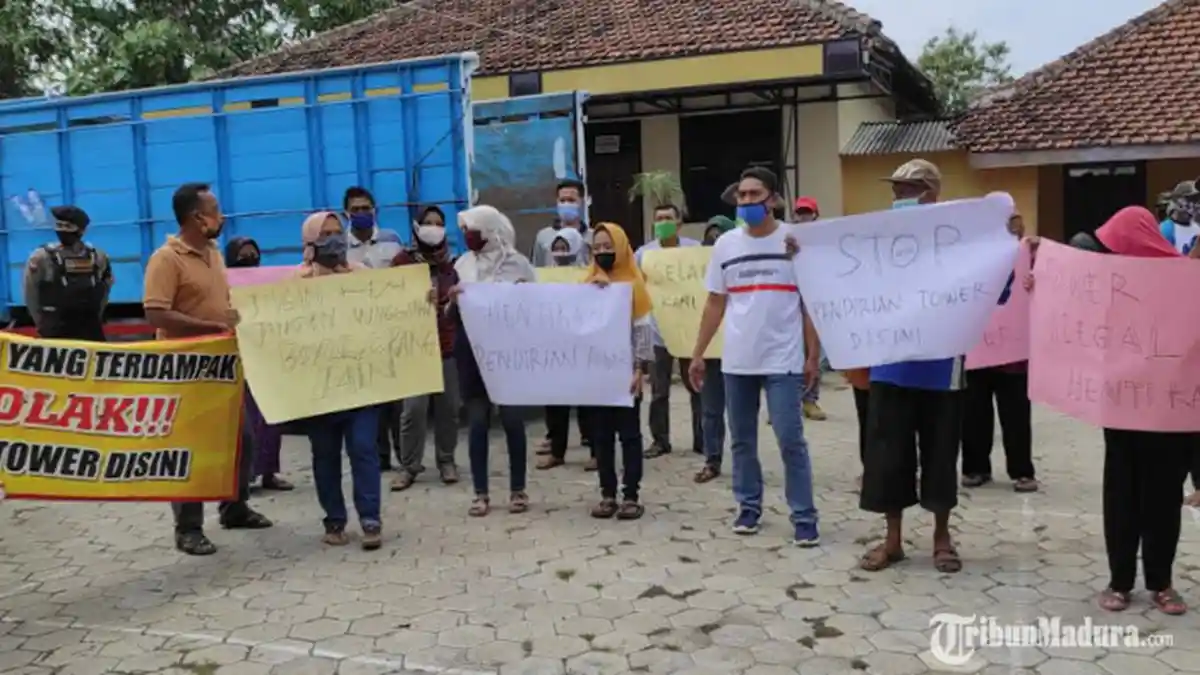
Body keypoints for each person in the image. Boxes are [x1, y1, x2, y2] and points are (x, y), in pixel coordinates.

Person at [1029, 206, 1194, 615]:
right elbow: (1067, 307)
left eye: (1112, 246)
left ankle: (1161, 582)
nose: (1105, 254)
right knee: (1121, 496)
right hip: (1122, 409)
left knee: (1164, 498)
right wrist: (1039, 279)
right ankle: (1119, 581)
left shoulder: (1186, 281)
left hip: (1172, 413)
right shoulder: (1110, 282)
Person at [687, 167, 821, 546]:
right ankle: (748, 507)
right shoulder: (726, 245)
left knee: (790, 439)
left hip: (783, 360)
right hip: (738, 361)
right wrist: (698, 354)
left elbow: (809, 303)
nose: (745, 201)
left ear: (773, 199)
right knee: (742, 441)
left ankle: (804, 516)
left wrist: (813, 356)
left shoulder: (794, 242)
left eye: (753, 194)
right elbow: (715, 302)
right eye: (741, 195)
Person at [143, 183, 272, 556]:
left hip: (223, 366)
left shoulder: (214, 253)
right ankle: (188, 528)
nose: (222, 217)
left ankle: (235, 508)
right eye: (215, 211)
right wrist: (210, 327)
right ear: (197, 219)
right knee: (191, 450)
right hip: (185, 370)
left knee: (241, 439)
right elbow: (155, 312)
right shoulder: (166, 259)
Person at [857, 159, 965, 574]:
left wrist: (1011, 241)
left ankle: (942, 536)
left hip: (942, 367)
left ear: (931, 194)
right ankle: (893, 540)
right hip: (890, 365)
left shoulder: (958, 241)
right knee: (888, 455)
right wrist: (804, 253)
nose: (899, 196)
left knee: (941, 454)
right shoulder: (879, 240)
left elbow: (996, 287)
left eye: (908, 189)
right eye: (896, 190)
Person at [296, 210, 385, 550]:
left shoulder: (363, 276)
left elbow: (388, 314)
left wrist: (419, 302)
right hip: (319, 388)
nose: (333, 240)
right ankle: (334, 519)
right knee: (325, 455)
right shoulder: (295, 284)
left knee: (364, 449)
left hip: (360, 382)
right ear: (310, 241)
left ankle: (370, 518)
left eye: (337, 232)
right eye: (325, 234)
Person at [450, 205, 537, 517]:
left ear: (488, 229)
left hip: (508, 352)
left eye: (471, 229)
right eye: (464, 231)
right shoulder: (461, 264)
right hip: (472, 352)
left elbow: (536, 305)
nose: (467, 236)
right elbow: (452, 314)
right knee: (477, 423)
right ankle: (480, 492)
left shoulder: (518, 263)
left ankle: (518, 489)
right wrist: (453, 299)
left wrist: (523, 295)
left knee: (513, 420)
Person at [960, 213, 1037, 493]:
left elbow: (1050, 281)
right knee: (973, 414)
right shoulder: (968, 256)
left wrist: (1035, 276)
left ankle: (1022, 470)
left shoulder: (1027, 256)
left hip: (1013, 355)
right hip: (976, 351)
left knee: (1016, 415)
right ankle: (975, 468)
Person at [584, 222, 654, 519]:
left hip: (626, 374)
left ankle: (631, 495)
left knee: (629, 435)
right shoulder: (586, 283)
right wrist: (591, 293)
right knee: (601, 437)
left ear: (622, 248)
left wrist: (639, 368)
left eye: (608, 246)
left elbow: (642, 330)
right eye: (597, 247)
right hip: (596, 374)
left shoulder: (633, 285)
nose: (602, 252)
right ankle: (607, 494)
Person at [389, 205, 462, 490]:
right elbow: (389, 302)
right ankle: (409, 466)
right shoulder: (401, 262)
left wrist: (450, 301)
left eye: (439, 223)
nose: (434, 228)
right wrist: (416, 300)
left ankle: (447, 460)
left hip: (446, 346)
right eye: (428, 222)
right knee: (413, 410)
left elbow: (456, 309)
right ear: (417, 228)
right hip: (414, 348)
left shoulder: (450, 267)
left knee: (449, 409)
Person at [225, 236, 292, 492]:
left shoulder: (267, 284)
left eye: (253, 254)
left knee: (271, 419)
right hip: (239, 358)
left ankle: (269, 472)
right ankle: (248, 474)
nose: (249, 259)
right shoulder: (222, 285)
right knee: (247, 420)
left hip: (266, 356)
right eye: (243, 255)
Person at [635, 204, 702, 458]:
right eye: (659, 218)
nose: (663, 222)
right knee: (659, 391)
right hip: (657, 332)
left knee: (696, 387)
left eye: (668, 218)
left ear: (679, 224)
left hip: (688, 331)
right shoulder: (644, 254)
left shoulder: (695, 250)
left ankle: (703, 439)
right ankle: (660, 441)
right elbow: (635, 286)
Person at [538, 227, 596, 470]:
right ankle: (557, 451)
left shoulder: (588, 275)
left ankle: (595, 451)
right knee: (555, 403)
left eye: (565, 247)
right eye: (557, 248)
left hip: (581, 347)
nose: (561, 252)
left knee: (588, 404)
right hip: (555, 348)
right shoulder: (542, 277)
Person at [24, 205, 113, 341]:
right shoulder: (42, 257)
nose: (63, 231)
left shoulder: (97, 257)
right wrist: (43, 325)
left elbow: (105, 289)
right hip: (56, 330)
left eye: (68, 226)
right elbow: (31, 294)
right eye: (60, 226)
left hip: (89, 329)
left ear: (81, 230)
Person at [694, 215, 737, 484]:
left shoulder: (737, 263)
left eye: (720, 234)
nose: (714, 239)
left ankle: (744, 461)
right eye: (710, 235)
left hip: (737, 349)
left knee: (739, 411)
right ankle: (712, 459)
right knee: (711, 410)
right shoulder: (697, 266)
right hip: (710, 351)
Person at [789, 197, 827, 422]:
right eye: (800, 213)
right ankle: (787, 403)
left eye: (807, 213)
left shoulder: (823, 241)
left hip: (814, 301)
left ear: (815, 215)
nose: (803, 217)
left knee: (814, 352)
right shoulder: (785, 239)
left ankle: (810, 400)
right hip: (789, 301)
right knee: (790, 353)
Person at [531, 179, 590, 267]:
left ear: (581, 202)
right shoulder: (543, 237)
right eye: (562, 200)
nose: (566, 204)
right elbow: (536, 268)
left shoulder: (592, 237)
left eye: (571, 200)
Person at [344, 186, 403, 268]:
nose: (361, 213)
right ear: (346, 213)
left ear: (375, 210)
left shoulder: (392, 239)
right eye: (355, 209)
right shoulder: (340, 245)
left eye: (365, 208)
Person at [1158, 180, 1200, 255]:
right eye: (1190, 199)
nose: (1194, 204)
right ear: (1176, 200)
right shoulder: (1166, 229)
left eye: (1196, 199)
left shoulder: (1198, 227)